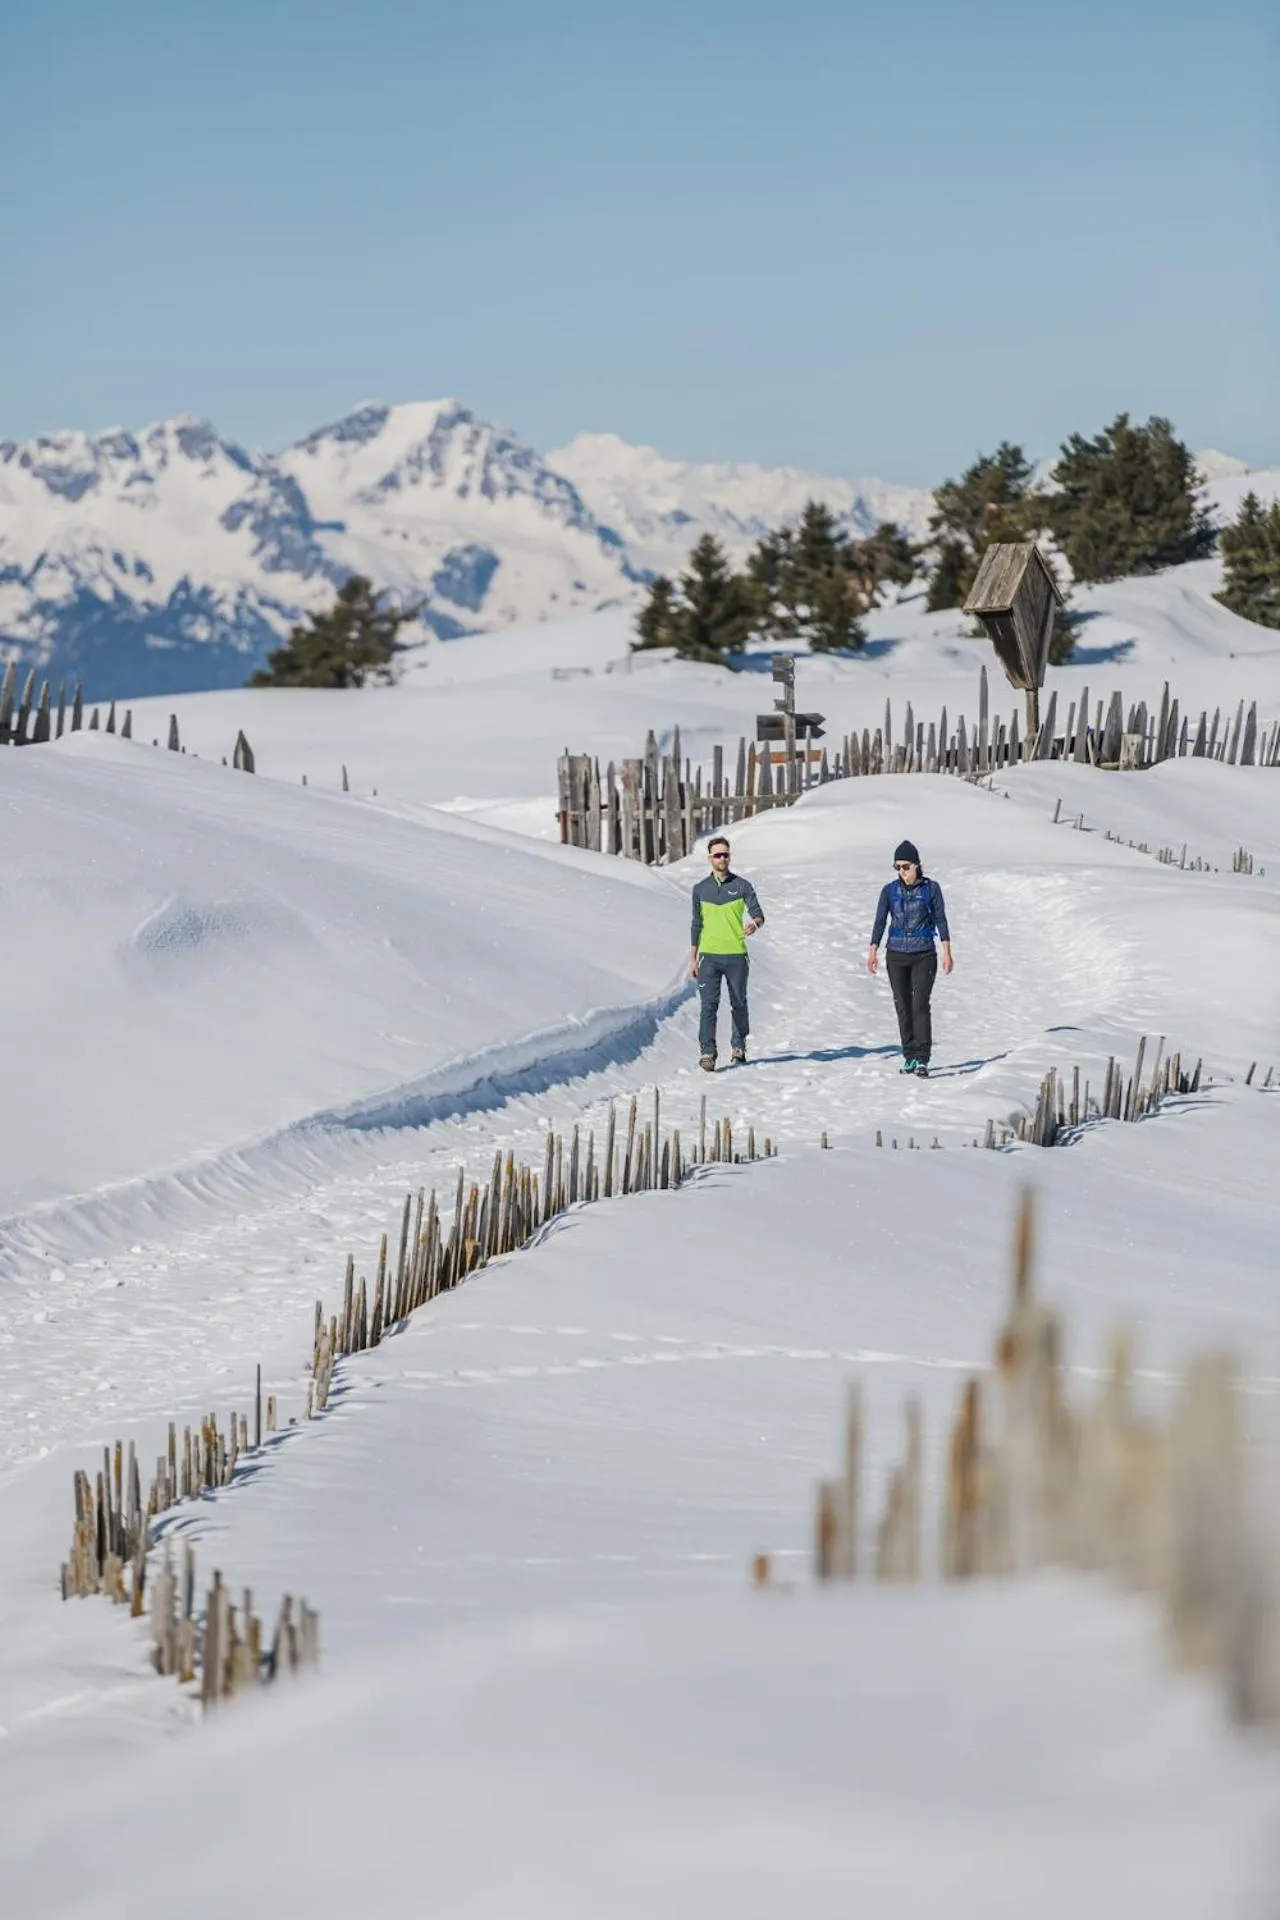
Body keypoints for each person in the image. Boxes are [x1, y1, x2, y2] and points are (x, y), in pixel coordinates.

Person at [866, 840, 953, 1077]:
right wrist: (873, 951)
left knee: (920, 1004)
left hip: (924, 954)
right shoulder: (889, 891)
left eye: (906, 866)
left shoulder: (931, 889)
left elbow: (941, 919)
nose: (902, 872)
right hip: (896, 955)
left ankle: (923, 1057)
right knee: (902, 1006)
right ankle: (910, 1057)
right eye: (897, 867)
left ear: (917, 866)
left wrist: (947, 951)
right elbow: (880, 921)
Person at [690, 836, 765, 1070]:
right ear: (709, 858)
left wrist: (754, 924)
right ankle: (707, 1053)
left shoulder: (742, 886)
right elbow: (696, 924)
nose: (722, 858)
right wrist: (693, 958)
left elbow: (759, 914)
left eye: (726, 854)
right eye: (717, 855)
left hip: (736, 956)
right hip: (709, 956)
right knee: (708, 1005)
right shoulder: (700, 889)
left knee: (738, 1002)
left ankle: (738, 1046)